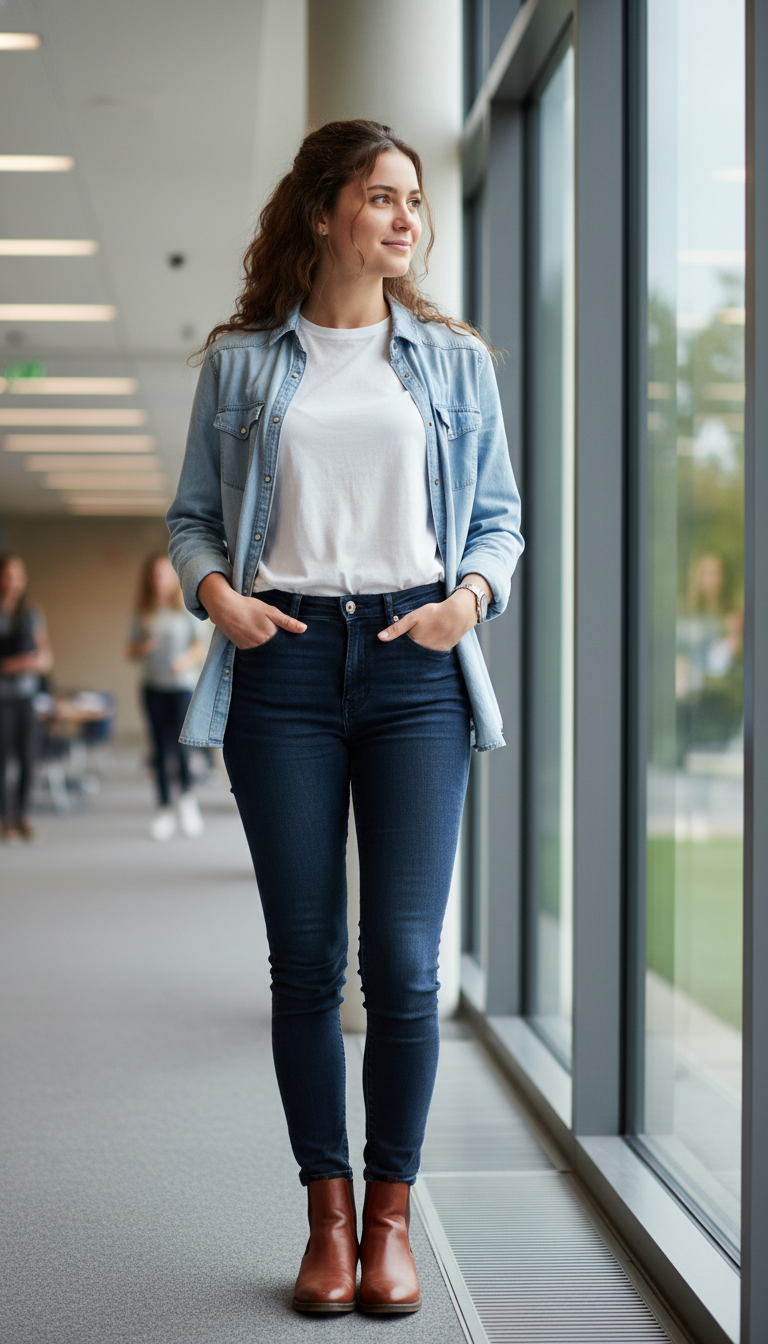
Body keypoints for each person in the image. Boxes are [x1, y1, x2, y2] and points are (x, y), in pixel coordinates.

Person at [167, 119, 523, 1315]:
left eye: (414, 199)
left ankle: (390, 1224)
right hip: (287, 666)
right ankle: (325, 1222)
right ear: (325, 213)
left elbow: (501, 521)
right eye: (383, 197)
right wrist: (221, 599)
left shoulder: (455, 361)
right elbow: (193, 524)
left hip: (418, 662)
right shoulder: (244, 366)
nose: (407, 218)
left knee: (406, 967)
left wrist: (467, 601)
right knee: (308, 962)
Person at [127, 553, 205, 840]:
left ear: (172, 577)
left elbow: (199, 648)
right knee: (159, 750)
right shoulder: (143, 612)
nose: (158, 580)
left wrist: (184, 661)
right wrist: (142, 647)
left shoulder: (186, 607)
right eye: (154, 575)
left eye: (163, 574)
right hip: (153, 687)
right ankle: (164, 809)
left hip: (182, 687)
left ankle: (187, 802)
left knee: (182, 748)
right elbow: (130, 651)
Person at [0, 554, 53, 842]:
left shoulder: (31, 613)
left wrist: (22, 664)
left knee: (27, 759)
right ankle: (4, 820)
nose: (14, 581)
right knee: (2, 761)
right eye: (8, 574)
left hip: (26, 697)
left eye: (18, 575)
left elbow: (45, 658)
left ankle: (22, 816)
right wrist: (13, 664)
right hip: (2, 699)